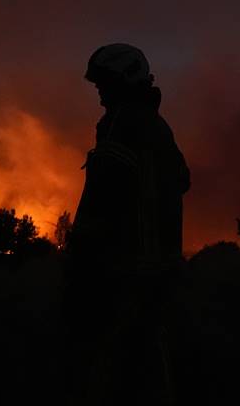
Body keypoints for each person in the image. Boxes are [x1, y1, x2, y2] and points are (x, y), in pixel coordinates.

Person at [63, 43, 190, 405]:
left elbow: (103, 198)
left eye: (104, 82)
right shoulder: (147, 124)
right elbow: (181, 178)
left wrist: (82, 259)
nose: (99, 91)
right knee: (145, 357)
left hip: (129, 269)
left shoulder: (129, 125)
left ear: (126, 80)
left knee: (118, 364)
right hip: (145, 267)